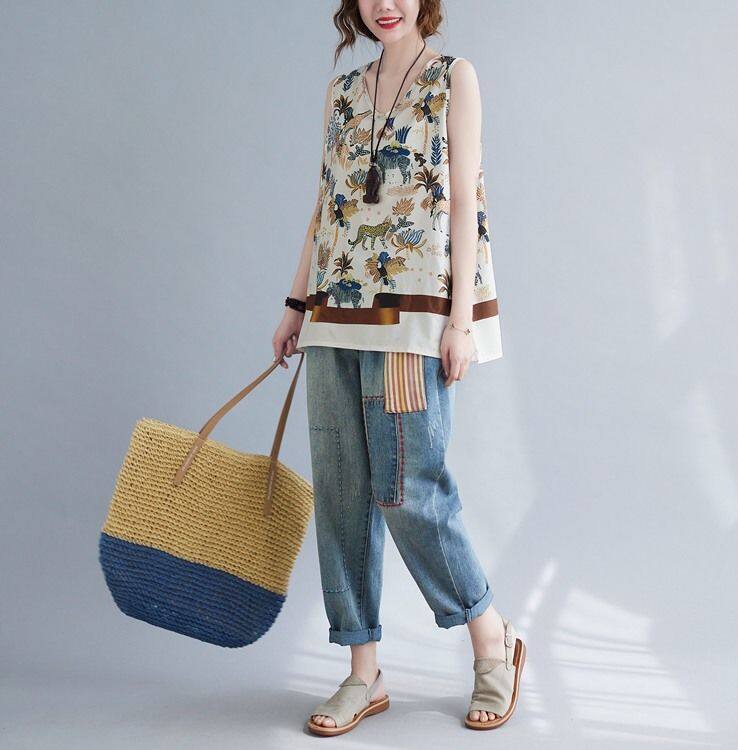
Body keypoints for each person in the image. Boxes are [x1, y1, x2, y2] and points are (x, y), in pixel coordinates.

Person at [272, 0, 526, 736]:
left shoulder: (453, 77)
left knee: (407, 488)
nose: (386, 4)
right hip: (332, 315)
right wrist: (294, 304)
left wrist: (459, 321)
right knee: (343, 495)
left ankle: (491, 638)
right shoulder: (343, 91)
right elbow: (327, 205)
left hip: (412, 323)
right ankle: (364, 671)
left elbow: (464, 201)